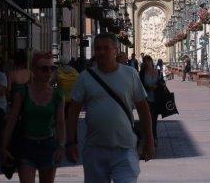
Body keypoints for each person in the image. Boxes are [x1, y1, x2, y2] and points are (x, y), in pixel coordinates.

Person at [65, 33, 155, 182]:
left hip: (125, 148)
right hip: (95, 148)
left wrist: (149, 140)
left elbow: (143, 109)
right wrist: (71, 142)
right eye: (98, 48)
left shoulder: (130, 74)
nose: (101, 52)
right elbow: (73, 112)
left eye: (106, 48)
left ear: (115, 50)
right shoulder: (85, 77)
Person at [1, 52, 65, 183]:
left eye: (52, 68)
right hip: (27, 146)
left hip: (48, 146)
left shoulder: (57, 95)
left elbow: (60, 122)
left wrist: (61, 145)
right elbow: (12, 120)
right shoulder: (22, 92)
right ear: (34, 70)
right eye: (44, 69)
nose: (49, 72)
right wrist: (3, 147)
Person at [139, 55, 163, 143]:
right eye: (145, 61)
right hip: (146, 99)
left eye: (148, 61)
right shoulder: (142, 73)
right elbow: (139, 85)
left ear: (151, 62)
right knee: (147, 119)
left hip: (156, 99)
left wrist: (157, 85)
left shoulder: (158, 72)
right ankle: (148, 137)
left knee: (154, 119)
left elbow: (162, 82)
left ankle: (153, 137)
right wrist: (148, 88)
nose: (147, 63)